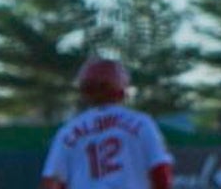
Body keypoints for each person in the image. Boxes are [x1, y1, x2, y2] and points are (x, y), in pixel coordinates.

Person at [40, 58, 174, 189]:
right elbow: (160, 171)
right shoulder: (141, 123)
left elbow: (52, 181)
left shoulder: (68, 131)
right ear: (121, 86)